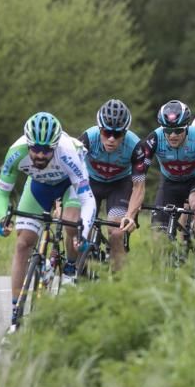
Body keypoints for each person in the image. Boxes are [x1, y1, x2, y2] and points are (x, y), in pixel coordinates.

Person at [0, 112, 97, 327]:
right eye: (35, 149)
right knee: (22, 244)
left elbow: (88, 199)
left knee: (70, 224)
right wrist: (4, 218)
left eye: (47, 150)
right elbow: (1, 193)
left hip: (69, 186)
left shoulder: (68, 153)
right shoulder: (15, 153)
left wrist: (83, 232)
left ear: (56, 146)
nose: (40, 155)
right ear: (27, 144)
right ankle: (16, 313)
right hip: (38, 187)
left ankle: (69, 267)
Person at [77, 99, 146, 270]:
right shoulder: (87, 138)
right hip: (91, 182)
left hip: (119, 185)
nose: (111, 139)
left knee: (116, 231)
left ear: (125, 132)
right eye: (106, 132)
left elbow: (138, 186)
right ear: (99, 129)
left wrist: (130, 215)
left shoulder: (136, 146)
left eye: (118, 134)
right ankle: (78, 266)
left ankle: (118, 283)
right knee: (79, 226)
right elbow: (70, 174)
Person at [133, 100, 195, 233]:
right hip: (169, 183)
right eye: (168, 130)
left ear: (186, 127)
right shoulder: (154, 138)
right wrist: (134, 201)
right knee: (158, 236)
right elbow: (138, 174)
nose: (173, 135)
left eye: (178, 131)